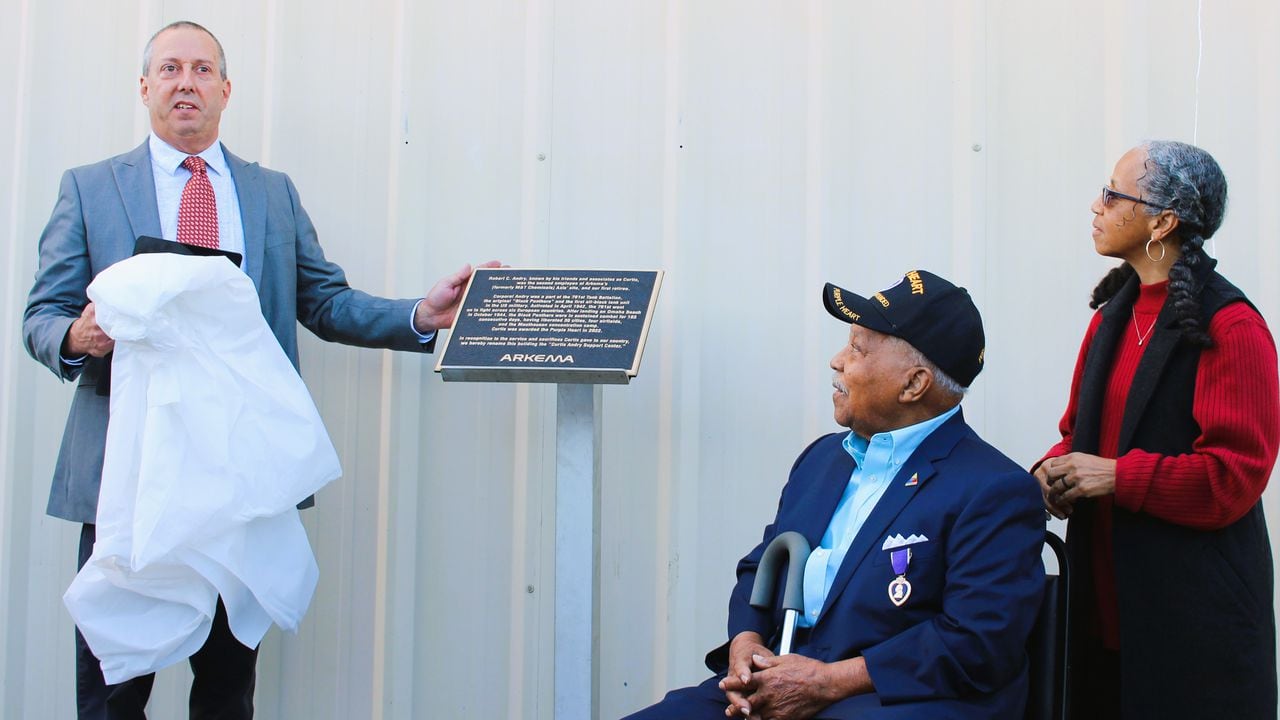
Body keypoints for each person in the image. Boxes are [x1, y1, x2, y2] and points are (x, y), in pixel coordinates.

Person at [22, 21, 497, 720]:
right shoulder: (90, 189)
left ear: (226, 88)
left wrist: (420, 315)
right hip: (129, 477)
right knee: (113, 690)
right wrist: (77, 334)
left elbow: (324, 301)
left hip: (237, 476)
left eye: (203, 69)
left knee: (225, 690)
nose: (187, 82)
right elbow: (43, 314)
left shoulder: (270, 193)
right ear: (145, 86)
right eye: (171, 69)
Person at [623, 270, 1045, 719]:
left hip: (894, 699)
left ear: (913, 384)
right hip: (781, 680)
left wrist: (827, 682)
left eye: (858, 349)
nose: (837, 360)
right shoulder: (824, 459)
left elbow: (974, 642)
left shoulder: (994, 490)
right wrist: (746, 645)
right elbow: (762, 566)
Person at [1035, 141, 1279, 719]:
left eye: (1113, 194)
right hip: (1105, 618)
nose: (1096, 205)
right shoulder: (1112, 316)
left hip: (1194, 633)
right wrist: (1053, 472)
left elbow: (1232, 479)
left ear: (1163, 222)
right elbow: (1078, 437)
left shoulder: (1232, 326)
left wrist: (1116, 477)